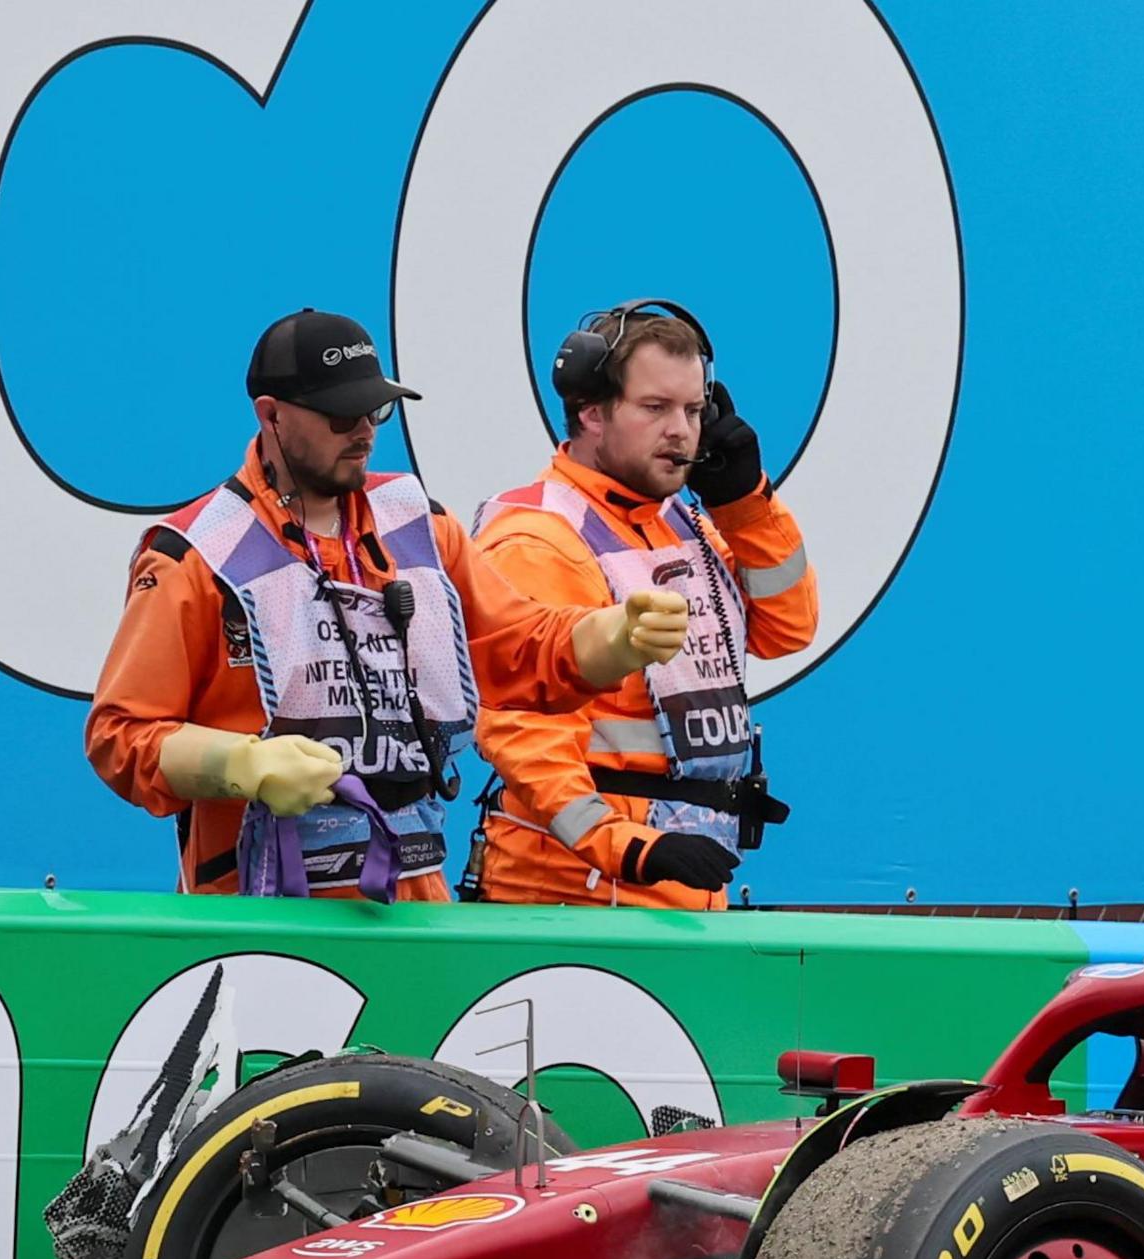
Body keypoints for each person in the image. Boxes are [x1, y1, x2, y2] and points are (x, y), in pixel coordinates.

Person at [84, 308, 692, 901]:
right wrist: (239, 764)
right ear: (270, 416)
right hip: (261, 913)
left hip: (413, 906)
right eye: (340, 415)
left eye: (376, 409)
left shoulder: (420, 527)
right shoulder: (197, 555)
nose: (365, 431)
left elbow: (516, 647)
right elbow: (120, 736)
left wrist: (612, 637)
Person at [463, 301, 818, 907]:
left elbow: (787, 629)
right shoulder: (538, 539)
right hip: (573, 895)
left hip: (674, 885)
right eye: (655, 408)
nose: (681, 430)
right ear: (590, 412)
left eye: (694, 410)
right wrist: (627, 847)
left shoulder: (681, 522)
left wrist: (745, 504)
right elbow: (523, 732)